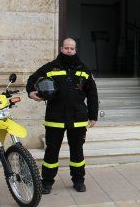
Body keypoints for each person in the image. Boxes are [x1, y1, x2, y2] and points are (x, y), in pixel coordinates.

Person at [26, 38, 98, 193]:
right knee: (51, 151)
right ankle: (46, 182)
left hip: (78, 118)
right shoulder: (51, 67)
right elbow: (32, 79)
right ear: (61, 48)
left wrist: (93, 116)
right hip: (55, 118)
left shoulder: (84, 70)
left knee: (77, 151)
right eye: (66, 48)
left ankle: (79, 181)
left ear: (75, 50)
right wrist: (31, 93)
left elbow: (92, 94)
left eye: (72, 48)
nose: (69, 51)